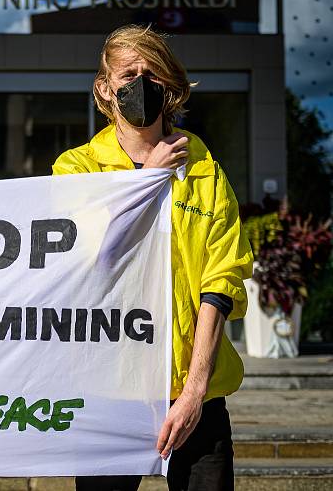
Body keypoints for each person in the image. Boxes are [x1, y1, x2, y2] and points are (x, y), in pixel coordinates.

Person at [53, 25, 253, 491]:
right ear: (105, 88)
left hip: (196, 396)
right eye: (128, 75)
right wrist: (147, 179)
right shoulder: (76, 167)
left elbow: (222, 279)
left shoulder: (205, 169)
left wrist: (194, 391)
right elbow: (88, 255)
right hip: (111, 391)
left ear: (171, 87)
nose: (140, 84)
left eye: (152, 74)